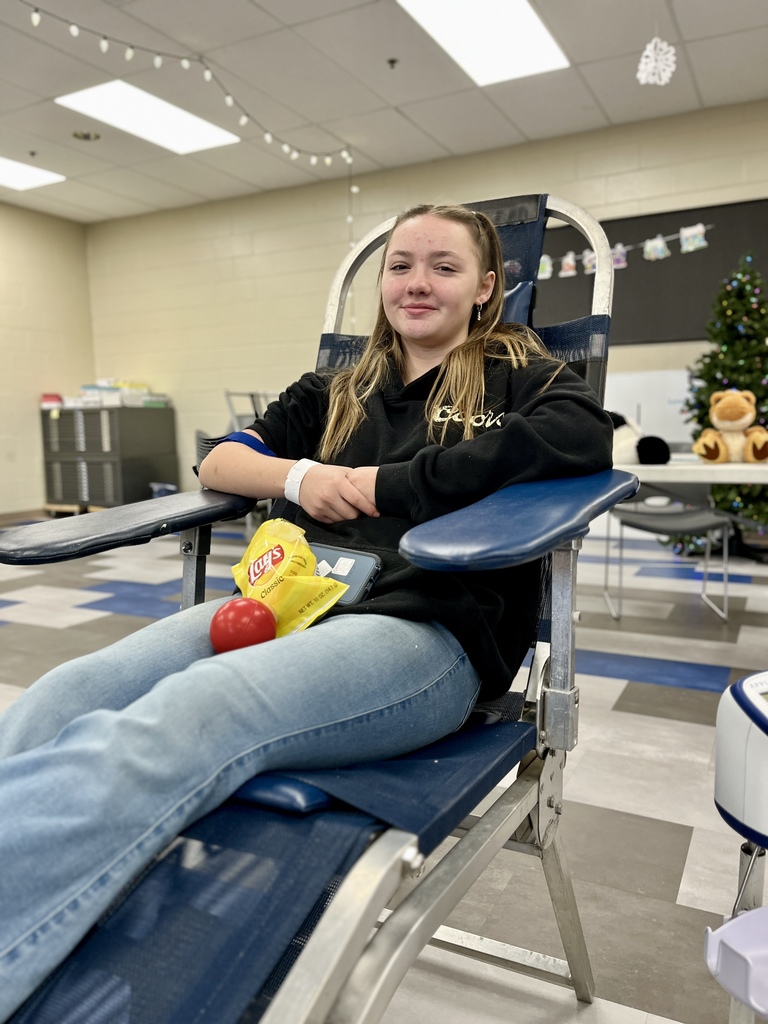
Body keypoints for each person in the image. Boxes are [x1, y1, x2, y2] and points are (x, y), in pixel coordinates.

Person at [0, 203, 612, 1019]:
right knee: (67, 694)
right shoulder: (337, 388)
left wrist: (388, 486)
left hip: (422, 633)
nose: (417, 282)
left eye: (444, 266)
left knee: (190, 714)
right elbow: (220, 457)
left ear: (486, 287)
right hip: (287, 602)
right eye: (400, 264)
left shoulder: (521, 375)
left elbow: (583, 439)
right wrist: (297, 479)